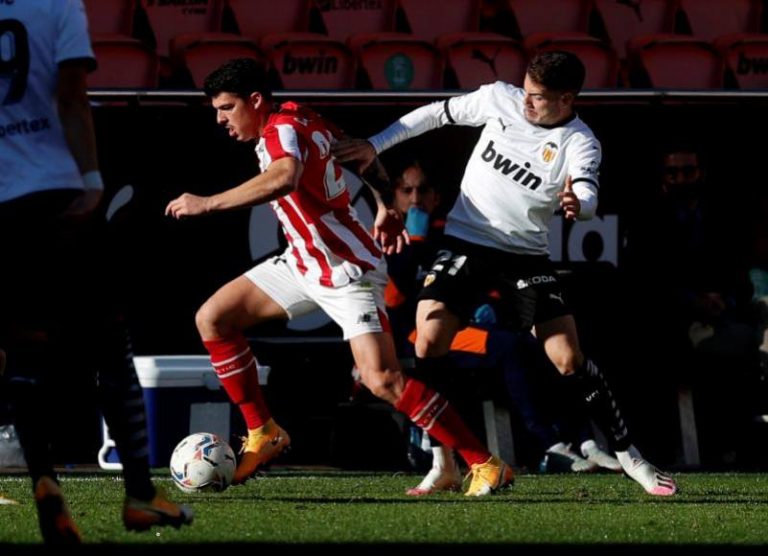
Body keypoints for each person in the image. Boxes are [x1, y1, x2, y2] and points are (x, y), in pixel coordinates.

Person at [333, 50, 677, 495]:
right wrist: (375, 144)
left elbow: (586, 191)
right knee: (429, 335)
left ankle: (632, 457)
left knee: (567, 359)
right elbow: (436, 115)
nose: (527, 103)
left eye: (538, 98)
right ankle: (444, 462)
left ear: (567, 98)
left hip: (524, 257)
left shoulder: (580, 141)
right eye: (527, 92)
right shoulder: (500, 98)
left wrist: (581, 206)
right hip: (465, 242)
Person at [164, 58, 513, 496]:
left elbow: (284, 177)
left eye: (227, 108)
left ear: (255, 100)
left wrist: (208, 203)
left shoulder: (280, 131)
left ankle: (485, 464)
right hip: (303, 262)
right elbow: (360, 153)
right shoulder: (302, 115)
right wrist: (385, 202)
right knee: (213, 318)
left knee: (382, 379)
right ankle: (263, 432)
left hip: (348, 270)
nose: (221, 119)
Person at [0, 0, 193, 544]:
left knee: (23, 347)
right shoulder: (57, 5)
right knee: (110, 342)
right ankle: (139, 493)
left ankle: (44, 479)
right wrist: (89, 176)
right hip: (53, 191)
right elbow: (71, 96)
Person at [382, 163, 619, 495]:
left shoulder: (452, 231)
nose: (416, 199)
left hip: (470, 323)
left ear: (437, 197)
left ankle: (583, 440)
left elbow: (489, 280)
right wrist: (413, 243)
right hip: (419, 334)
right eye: (407, 191)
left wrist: (489, 304)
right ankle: (549, 444)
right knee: (509, 345)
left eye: (423, 190)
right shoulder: (393, 235)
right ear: (394, 196)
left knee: (547, 343)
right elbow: (392, 301)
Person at [624, 144, 759, 466]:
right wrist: (692, 302)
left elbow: (741, 272)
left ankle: (739, 448)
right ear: (663, 178)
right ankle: (671, 453)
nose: (681, 179)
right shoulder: (647, 219)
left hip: (724, 317)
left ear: (702, 172)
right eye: (673, 172)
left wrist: (723, 300)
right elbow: (643, 279)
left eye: (688, 171)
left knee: (743, 348)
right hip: (668, 324)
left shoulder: (724, 215)